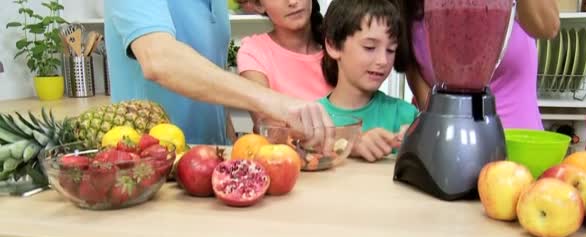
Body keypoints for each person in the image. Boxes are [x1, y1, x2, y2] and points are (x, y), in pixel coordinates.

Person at [104, 0, 335, 153]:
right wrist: (276, 102)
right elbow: (158, 59)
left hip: (206, 158)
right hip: (146, 164)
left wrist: (229, 137)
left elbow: (210, 75)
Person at [398, 0, 560, 130]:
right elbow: (411, 67)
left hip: (518, 151)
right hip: (449, 149)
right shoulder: (411, 8)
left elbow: (547, 26)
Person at [319, 0, 419, 163]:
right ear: (333, 45)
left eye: (391, 50)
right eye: (369, 47)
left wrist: (420, 141)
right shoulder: (312, 117)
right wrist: (349, 144)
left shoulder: (406, 115)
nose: (383, 61)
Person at [236, 0, 332, 133]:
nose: (292, 2)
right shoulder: (254, 52)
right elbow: (267, 127)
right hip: (283, 153)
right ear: (258, 5)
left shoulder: (339, 47)